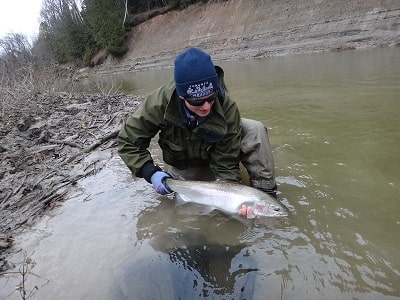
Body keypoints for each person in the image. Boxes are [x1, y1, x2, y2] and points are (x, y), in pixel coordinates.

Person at [117, 47, 277, 208]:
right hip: (184, 164)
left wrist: (233, 199)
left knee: (254, 129)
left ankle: (267, 197)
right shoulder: (158, 104)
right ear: (182, 96)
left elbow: (226, 163)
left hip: (215, 154)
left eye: (211, 98)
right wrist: (150, 172)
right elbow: (128, 142)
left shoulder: (226, 106)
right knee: (186, 214)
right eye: (197, 102)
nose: (206, 107)